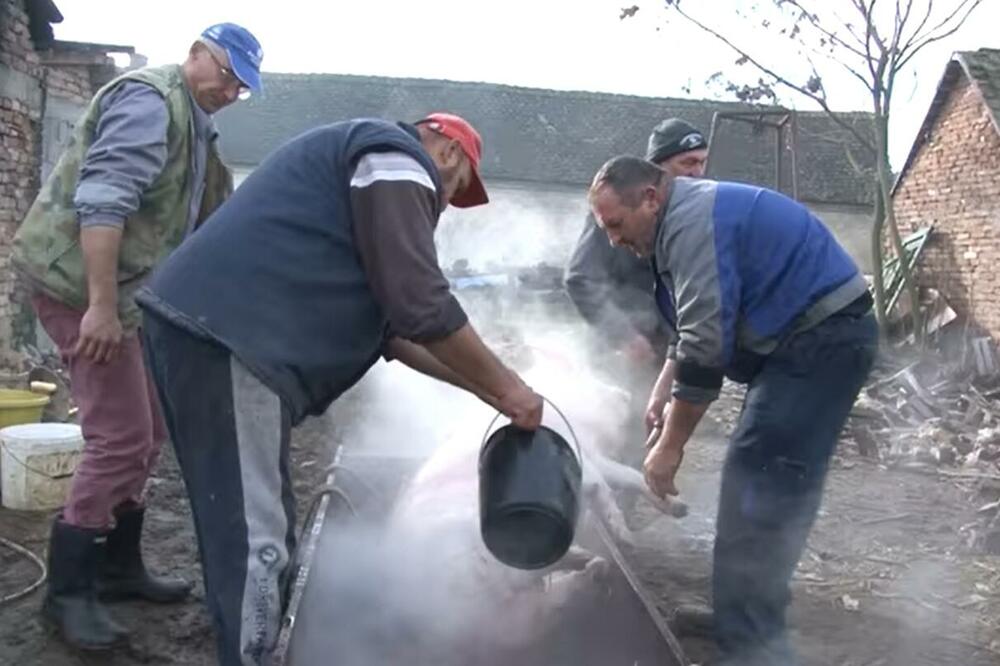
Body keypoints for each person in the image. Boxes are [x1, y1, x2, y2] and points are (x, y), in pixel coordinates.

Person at [134, 112, 545, 665]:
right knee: (253, 535)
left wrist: (488, 388)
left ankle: (253, 637)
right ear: (448, 152)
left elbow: (395, 334)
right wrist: (511, 390)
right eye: (453, 189)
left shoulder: (365, 179)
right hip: (231, 334)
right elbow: (420, 306)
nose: (442, 204)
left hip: (215, 332)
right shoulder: (396, 157)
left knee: (251, 518)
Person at [11, 23, 264, 651]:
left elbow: (194, 226)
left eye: (242, 86)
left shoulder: (197, 126)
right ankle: (65, 595)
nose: (231, 91)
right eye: (226, 74)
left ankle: (120, 565)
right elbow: (105, 199)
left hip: (128, 297)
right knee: (120, 438)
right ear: (197, 54)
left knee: (149, 433)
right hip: (83, 289)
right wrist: (98, 307)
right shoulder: (150, 102)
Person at [587, 155, 878, 666]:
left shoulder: (690, 224)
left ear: (650, 199)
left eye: (615, 223)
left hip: (822, 341)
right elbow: (700, 320)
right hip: (803, 344)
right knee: (754, 475)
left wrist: (670, 448)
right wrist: (663, 387)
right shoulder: (682, 217)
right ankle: (737, 617)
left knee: (763, 483)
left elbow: (705, 347)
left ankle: (754, 649)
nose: (612, 238)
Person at [564, 118, 708, 464]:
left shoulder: (690, 217)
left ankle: (632, 503)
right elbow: (580, 278)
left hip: (665, 346)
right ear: (656, 170)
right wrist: (623, 334)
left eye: (702, 162)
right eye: (686, 163)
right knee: (614, 434)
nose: (697, 173)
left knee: (649, 431)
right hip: (623, 348)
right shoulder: (616, 212)